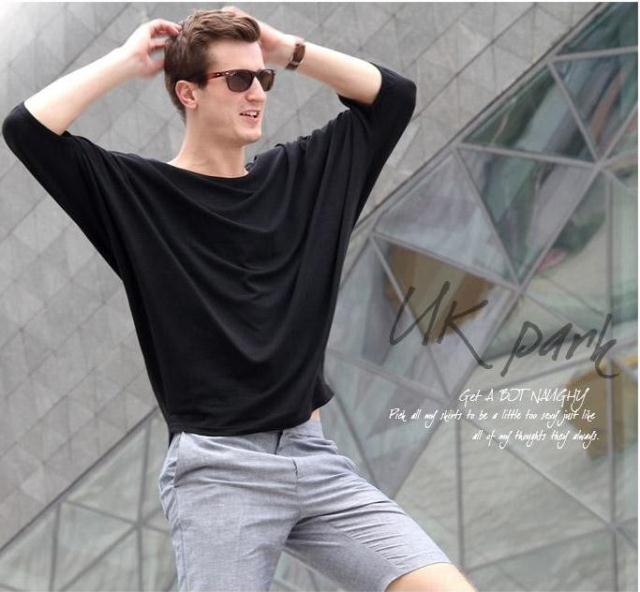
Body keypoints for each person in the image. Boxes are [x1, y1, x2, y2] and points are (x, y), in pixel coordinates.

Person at [2, 6, 476, 592]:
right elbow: (27, 129)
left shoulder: (302, 177)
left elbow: (393, 97)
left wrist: (286, 50)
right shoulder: (139, 198)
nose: (257, 92)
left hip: (315, 461)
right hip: (220, 475)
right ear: (189, 93)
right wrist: (126, 61)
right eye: (239, 78)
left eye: (263, 78)